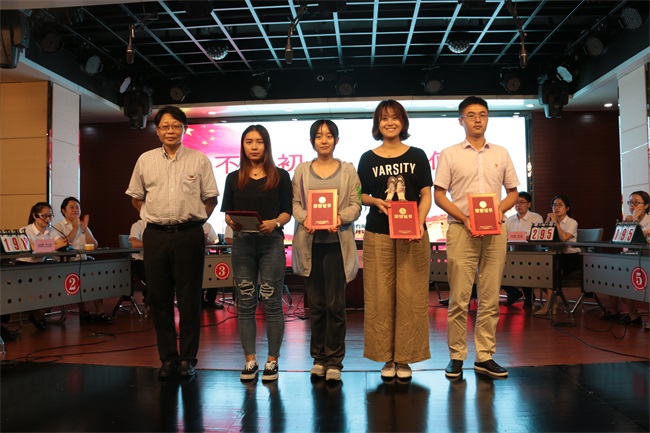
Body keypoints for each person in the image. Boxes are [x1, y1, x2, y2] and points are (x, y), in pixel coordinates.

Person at [126, 105, 219, 380]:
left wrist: (196, 221)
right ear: (157, 131)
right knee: (159, 298)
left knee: (190, 299)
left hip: (189, 234)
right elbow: (136, 197)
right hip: (155, 235)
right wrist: (152, 216)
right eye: (165, 126)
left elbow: (211, 198)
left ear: (184, 129)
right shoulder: (145, 160)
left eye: (176, 126)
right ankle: (168, 358)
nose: (170, 131)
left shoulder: (199, 160)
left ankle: (188, 359)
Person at [434, 96, 519, 379]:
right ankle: (456, 356)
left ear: (488, 118)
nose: (477, 119)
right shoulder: (450, 154)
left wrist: (498, 212)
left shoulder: (501, 153)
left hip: (495, 230)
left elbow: (513, 193)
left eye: (482, 114)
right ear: (461, 120)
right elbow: (439, 195)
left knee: (490, 297)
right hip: (462, 230)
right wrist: (464, 218)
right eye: (471, 115)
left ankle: (485, 356)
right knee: (459, 297)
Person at [357, 100, 432, 380]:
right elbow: (359, 195)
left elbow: (426, 194)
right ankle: (386, 359)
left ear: (403, 122)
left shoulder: (418, 155)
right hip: (378, 234)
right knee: (379, 297)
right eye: (384, 118)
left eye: (395, 117)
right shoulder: (368, 158)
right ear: (377, 124)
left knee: (411, 296)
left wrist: (419, 223)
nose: (390, 122)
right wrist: (375, 201)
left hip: (413, 235)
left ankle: (405, 358)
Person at [291, 119, 362, 382]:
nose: (324, 140)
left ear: (336, 140)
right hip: (310, 246)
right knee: (317, 305)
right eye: (319, 136)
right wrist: (306, 218)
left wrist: (340, 218)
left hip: (337, 246)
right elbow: (294, 204)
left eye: (329, 135)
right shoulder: (301, 171)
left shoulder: (348, 170)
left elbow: (356, 205)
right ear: (312, 141)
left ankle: (334, 361)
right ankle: (318, 358)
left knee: (336, 304)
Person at [221, 124, 292, 382]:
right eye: (249, 141)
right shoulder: (233, 177)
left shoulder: (280, 176)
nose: (253, 146)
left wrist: (275, 222)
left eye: (259, 142)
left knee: (272, 302)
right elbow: (227, 213)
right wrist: (231, 222)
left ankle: (273, 360)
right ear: (243, 145)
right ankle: (250, 360)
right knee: (246, 302)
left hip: (271, 242)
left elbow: (287, 212)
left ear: (266, 145)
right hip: (243, 243)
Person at [54, 197, 111, 324]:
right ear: (63, 210)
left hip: (85, 262)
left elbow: (94, 245)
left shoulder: (82, 226)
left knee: (97, 279)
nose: (75, 210)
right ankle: (83, 311)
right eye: (72, 207)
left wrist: (84, 229)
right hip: (67, 264)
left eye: (78, 207)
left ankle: (100, 313)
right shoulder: (58, 227)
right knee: (79, 279)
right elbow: (62, 244)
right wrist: (75, 229)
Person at [601, 191, 649, 326]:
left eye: (636, 202)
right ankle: (615, 311)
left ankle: (633, 315)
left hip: (646, 259)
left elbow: (639, 239)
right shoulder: (628, 220)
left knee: (625, 277)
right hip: (631, 257)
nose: (632, 205)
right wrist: (628, 223)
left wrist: (635, 220)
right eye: (630, 202)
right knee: (612, 274)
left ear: (646, 206)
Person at [17, 202, 68, 330]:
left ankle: (37, 315)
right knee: (37, 292)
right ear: (35, 215)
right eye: (44, 216)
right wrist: (53, 246)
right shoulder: (24, 231)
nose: (48, 219)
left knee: (55, 290)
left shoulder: (51, 230)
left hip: (41, 265)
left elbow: (62, 244)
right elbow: (31, 248)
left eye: (50, 216)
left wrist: (41, 247)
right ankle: (37, 315)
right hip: (24, 266)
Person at [534, 195, 580, 317]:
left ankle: (548, 305)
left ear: (567, 208)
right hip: (555, 256)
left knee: (551, 270)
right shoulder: (551, 222)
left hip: (571, 256)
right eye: (554, 205)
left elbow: (564, 238)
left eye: (560, 205)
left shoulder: (572, 222)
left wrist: (555, 223)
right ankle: (553, 302)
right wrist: (547, 222)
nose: (557, 208)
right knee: (537, 270)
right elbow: (541, 239)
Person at [502, 191, 544, 308]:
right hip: (513, 254)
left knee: (526, 271)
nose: (518, 205)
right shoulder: (509, 219)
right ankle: (514, 293)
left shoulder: (536, 218)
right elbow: (505, 236)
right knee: (500, 270)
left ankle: (529, 298)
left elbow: (535, 236)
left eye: (522, 202)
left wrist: (520, 236)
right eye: (516, 203)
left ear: (529, 204)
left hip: (531, 254)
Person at [202, 221, 224, 309]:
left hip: (206, 256)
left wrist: (209, 241)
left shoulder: (207, 225)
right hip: (190, 256)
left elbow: (215, 240)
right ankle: (200, 302)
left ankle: (210, 300)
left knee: (214, 277)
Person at [128, 219, 147, 302]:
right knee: (155, 277)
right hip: (140, 261)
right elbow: (134, 244)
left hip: (157, 260)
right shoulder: (138, 225)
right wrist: (153, 243)